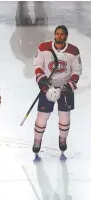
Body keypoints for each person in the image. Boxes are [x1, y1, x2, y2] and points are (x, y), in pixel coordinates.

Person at [33, 25, 82, 154]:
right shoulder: (44, 48)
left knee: (64, 118)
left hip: (65, 90)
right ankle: (37, 140)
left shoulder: (73, 51)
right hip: (47, 88)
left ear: (66, 36)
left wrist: (68, 87)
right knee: (41, 117)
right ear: (54, 35)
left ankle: (63, 139)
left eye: (62, 34)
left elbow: (77, 72)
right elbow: (37, 65)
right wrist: (42, 82)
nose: (59, 36)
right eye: (57, 34)